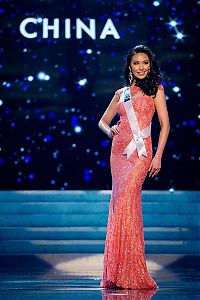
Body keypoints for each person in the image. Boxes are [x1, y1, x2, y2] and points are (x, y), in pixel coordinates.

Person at [98, 45, 170, 290]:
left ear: (150, 66)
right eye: (136, 63)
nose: (141, 67)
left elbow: (165, 125)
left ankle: (132, 271)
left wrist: (158, 156)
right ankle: (118, 272)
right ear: (129, 66)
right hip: (118, 153)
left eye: (145, 63)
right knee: (120, 206)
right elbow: (103, 121)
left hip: (141, 154)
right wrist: (111, 131)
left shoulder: (156, 90)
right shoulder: (121, 93)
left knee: (129, 202)